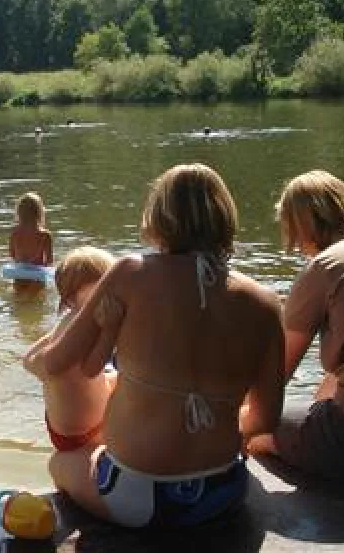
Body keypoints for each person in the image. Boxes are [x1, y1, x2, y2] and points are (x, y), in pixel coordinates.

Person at [39, 164, 284, 528]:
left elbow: (57, 363)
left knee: (59, 464)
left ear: (156, 218)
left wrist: (33, 357)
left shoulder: (129, 274)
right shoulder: (266, 302)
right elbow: (265, 419)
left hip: (141, 499)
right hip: (225, 489)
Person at [244, 171, 344, 481]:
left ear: (301, 227)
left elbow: (275, 375)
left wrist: (238, 416)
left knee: (258, 432)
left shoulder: (327, 265)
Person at [25, 247, 115, 452]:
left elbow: (28, 359)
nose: (112, 292)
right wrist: (110, 332)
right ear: (71, 298)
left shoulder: (67, 321)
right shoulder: (91, 326)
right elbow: (93, 367)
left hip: (62, 426)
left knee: (114, 376)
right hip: (88, 430)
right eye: (102, 287)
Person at [9, 193, 53, 298]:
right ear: (39, 213)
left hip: (19, 275)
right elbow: (49, 261)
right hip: (37, 277)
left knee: (18, 302)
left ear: (19, 213)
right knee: (37, 303)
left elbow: (12, 254)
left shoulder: (14, 233)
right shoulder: (45, 235)